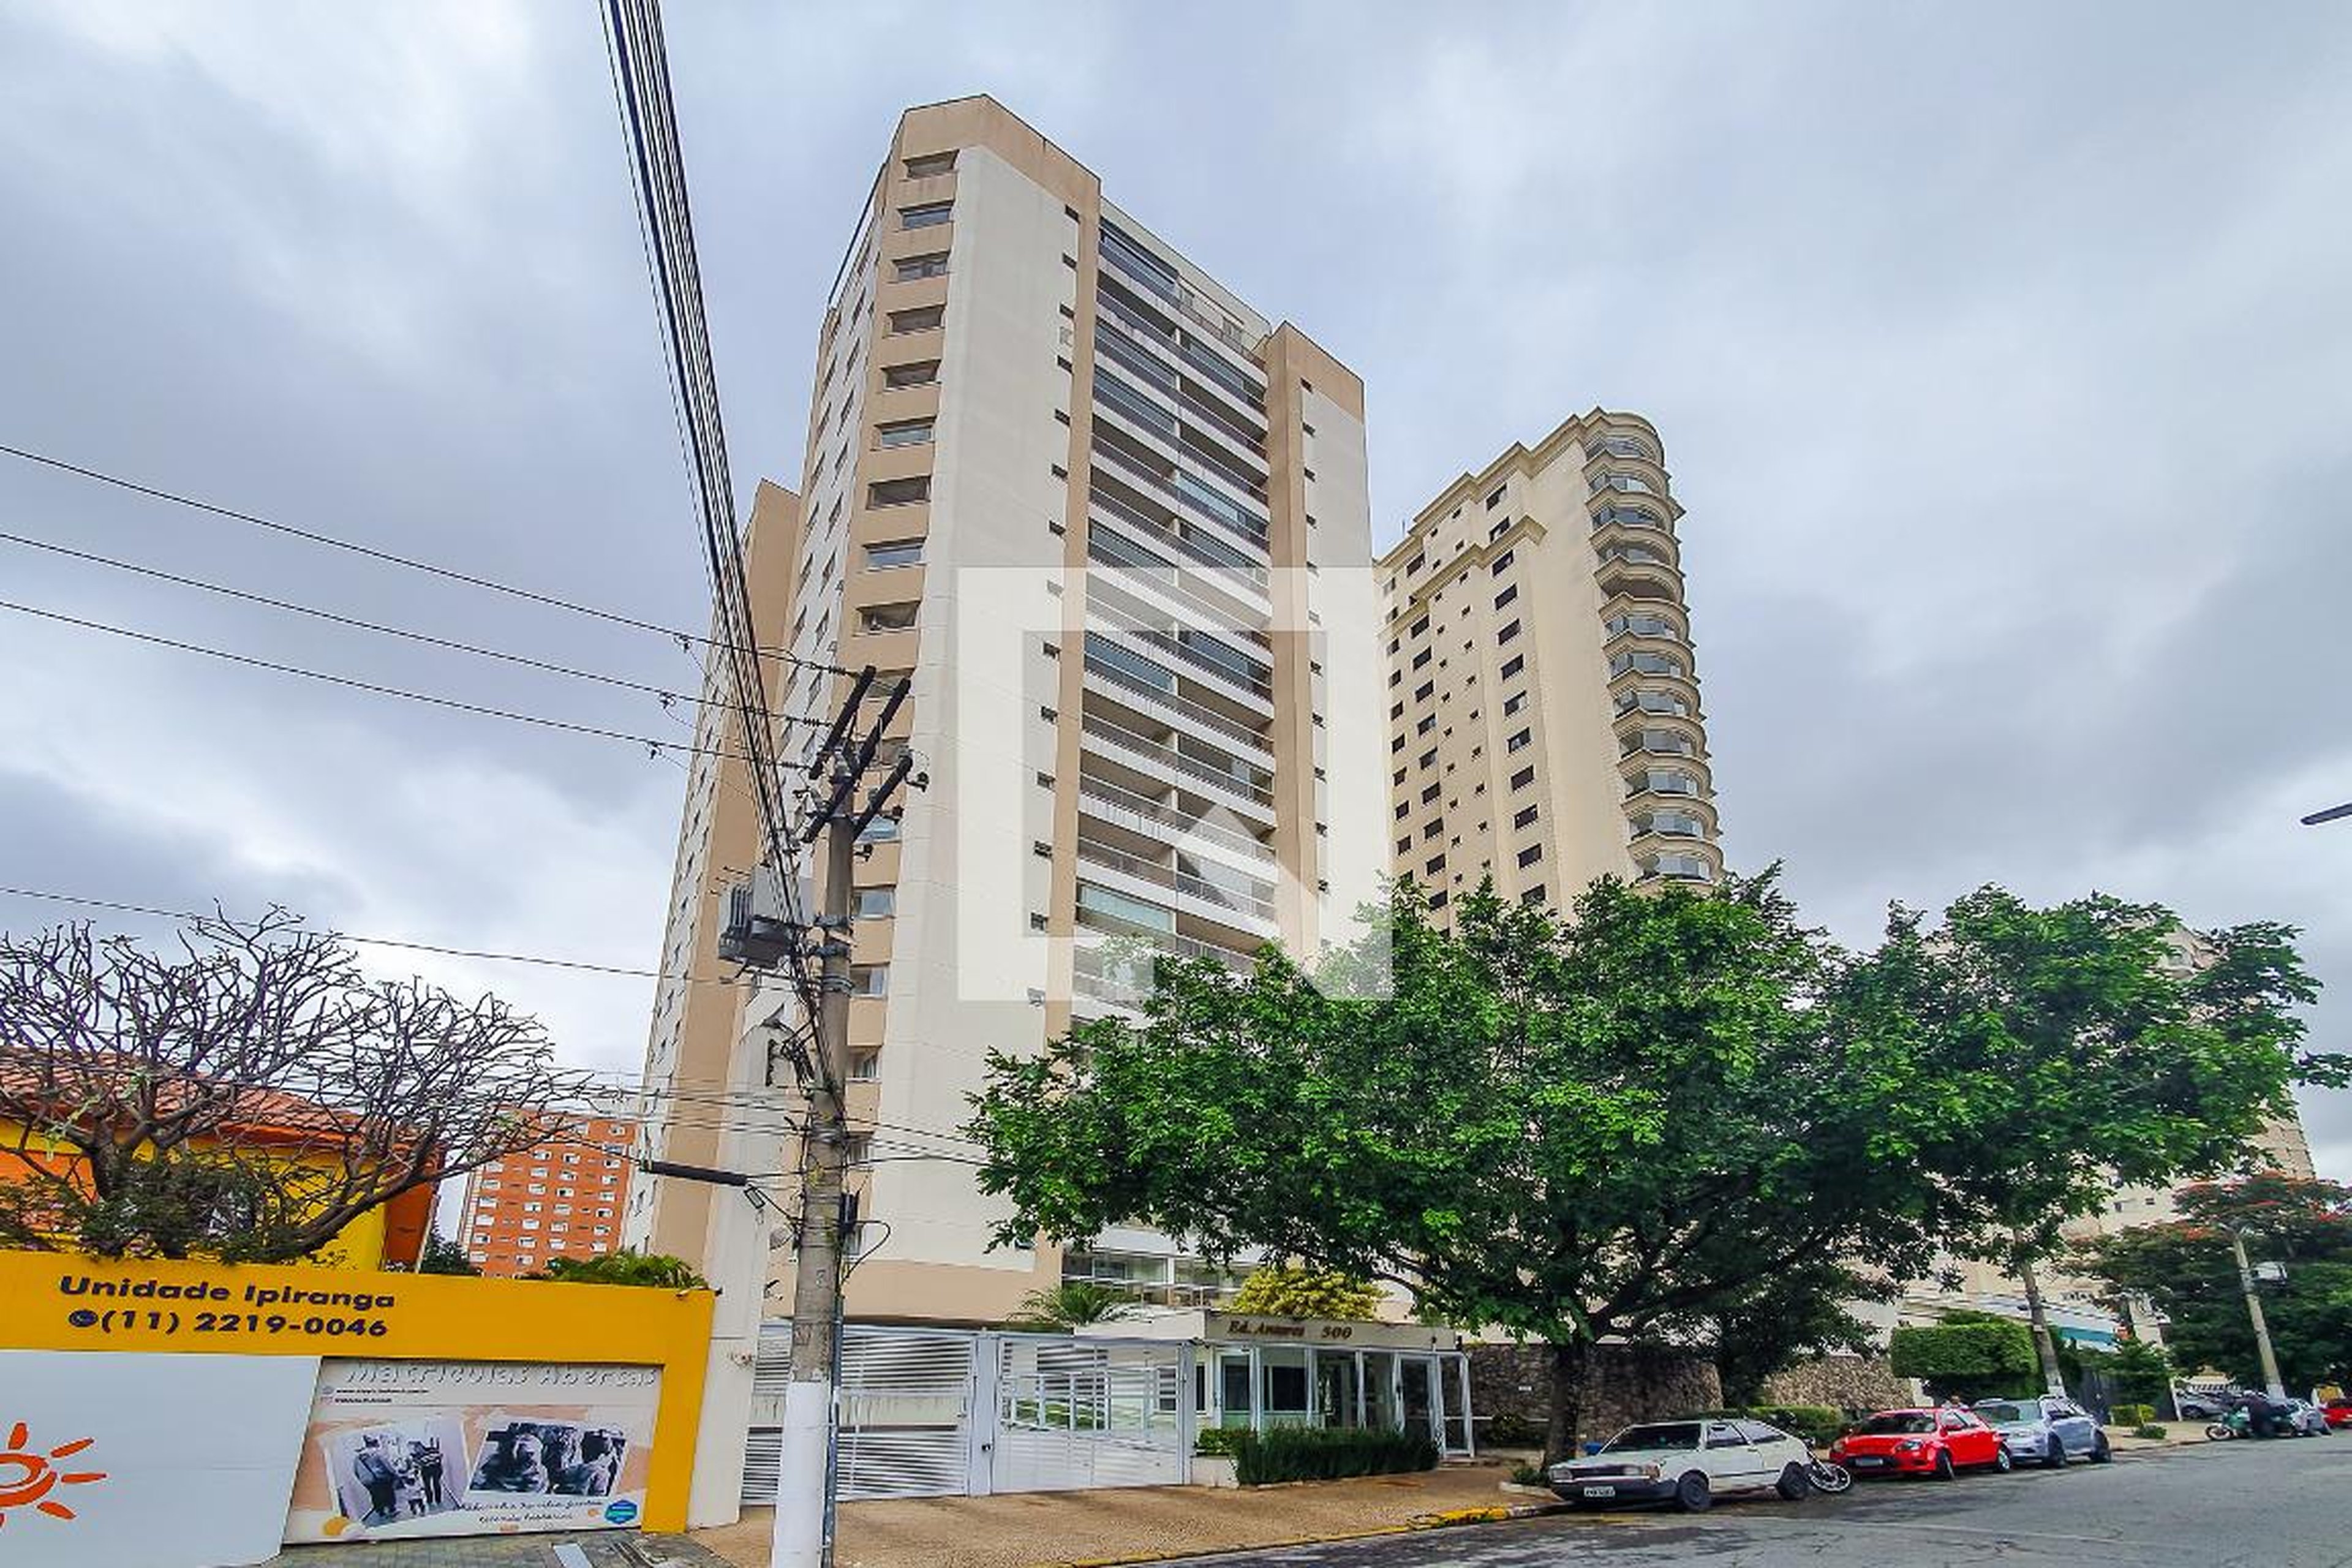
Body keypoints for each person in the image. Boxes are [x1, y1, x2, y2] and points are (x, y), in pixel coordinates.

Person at [352, 1436, 399, 1525]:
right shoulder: (377, 1453)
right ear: (375, 1444)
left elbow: (355, 1471)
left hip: (368, 1481)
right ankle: (392, 1510)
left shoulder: (358, 1457)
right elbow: (387, 1465)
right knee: (389, 1493)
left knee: (375, 1496)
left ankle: (381, 1512)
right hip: (382, 1478)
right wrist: (394, 1474)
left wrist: (363, 1480)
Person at [414, 1439, 446, 1510]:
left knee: (436, 1484)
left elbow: (440, 1456)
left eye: (418, 1448)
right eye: (416, 1450)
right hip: (425, 1470)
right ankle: (430, 1501)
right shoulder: (417, 1456)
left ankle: (438, 1500)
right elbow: (417, 1466)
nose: (417, 1451)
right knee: (427, 1486)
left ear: (421, 1446)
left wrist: (436, 1463)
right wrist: (416, 1474)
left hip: (436, 1469)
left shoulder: (432, 1450)